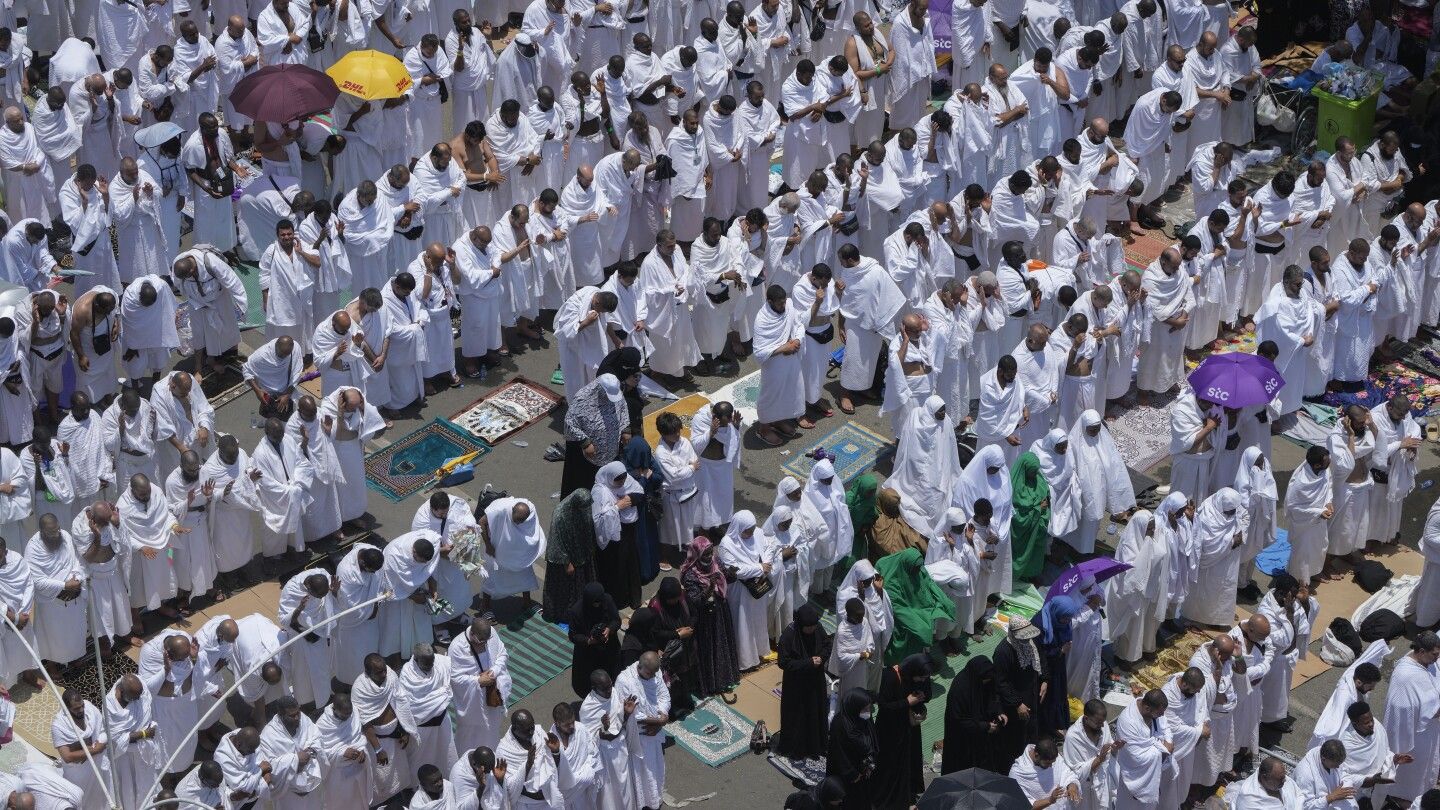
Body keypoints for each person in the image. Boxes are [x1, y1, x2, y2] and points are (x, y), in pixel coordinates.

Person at [1377, 632, 1440, 807]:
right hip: (1415, 736)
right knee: (1411, 772)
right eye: (1435, 654)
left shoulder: (1425, 663)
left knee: (1423, 771)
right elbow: (1424, 709)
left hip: (1429, 732)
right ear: (1421, 651)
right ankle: (1400, 799)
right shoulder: (1406, 675)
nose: (1438, 658)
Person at [680, 535, 740, 697]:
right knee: (708, 649)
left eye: (710, 552)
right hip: (704, 618)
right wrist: (710, 586)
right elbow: (696, 600)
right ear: (697, 555)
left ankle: (724, 678)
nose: (709, 557)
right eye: (705, 554)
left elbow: (726, 577)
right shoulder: (690, 574)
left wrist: (732, 574)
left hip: (720, 612)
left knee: (721, 643)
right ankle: (710, 683)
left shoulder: (715, 562)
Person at [871, 654, 932, 809]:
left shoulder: (915, 676)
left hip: (908, 728)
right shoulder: (890, 676)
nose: (922, 681)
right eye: (920, 677)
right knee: (889, 766)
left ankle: (905, 795)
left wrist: (921, 698)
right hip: (889, 730)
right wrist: (907, 702)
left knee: (908, 761)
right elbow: (884, 706)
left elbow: (926, 693)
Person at [716, 510, 774, 671]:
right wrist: (759, 568)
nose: (750, 534)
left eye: (751, 530)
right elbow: (735, 570)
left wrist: (766, 564)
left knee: (757, 621)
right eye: (746, 531)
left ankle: (760, 651)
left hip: (758, 587)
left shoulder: (757, 533)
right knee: (743, 624)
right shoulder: (727, 544)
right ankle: (745, 660)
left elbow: (768, 548)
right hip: (740, 591)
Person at [1184, 488, 1249, 628]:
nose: (1233, 513)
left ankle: (1220, 619)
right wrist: (1231, 542)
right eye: (1230, 511)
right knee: (1206, 595)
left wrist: (1242, 533)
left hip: (1228, 565)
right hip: (1210, 568)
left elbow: (1245, 517)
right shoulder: (1206, 516)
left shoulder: (1234, 505)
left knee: (1224, 593)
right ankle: (1199, 618)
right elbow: (1206, 546)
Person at [774, 603, 831, 761]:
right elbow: (783, 662)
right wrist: (808, 663)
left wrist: (822, 658)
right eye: (809, 628)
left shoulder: (817, 628)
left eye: (814, 626)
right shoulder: (789, 635)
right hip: (796, 684)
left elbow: (827, 645)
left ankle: (816, 746)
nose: (812, 630)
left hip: (815, 681)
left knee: (815, 712)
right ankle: (796, 748)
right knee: (798, 716)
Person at [873, 548, 949, 664]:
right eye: (916, 569)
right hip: (896, 616)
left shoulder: (914, 567)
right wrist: (920, 626)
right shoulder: (889, 578)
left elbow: (927, 581)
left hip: (912, 610)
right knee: (901, 642)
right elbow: (898, 609)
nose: (919, 571)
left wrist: (941, 600)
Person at [561, 373, 627, 497]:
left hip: (611, 450)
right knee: (587, 485)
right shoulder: (583, 398)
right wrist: (585, 442)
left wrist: (626, 429)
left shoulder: (615, 391)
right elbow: (570, 423)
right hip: (590, 456)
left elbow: (623, 409)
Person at [590, 461, 643, 610]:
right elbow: (598, 518)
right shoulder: (600, 491)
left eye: (623, 480)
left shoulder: (626, 481)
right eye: (618, 481)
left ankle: (634, 599)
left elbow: (640, 494)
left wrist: (630, 500)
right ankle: (619, 601)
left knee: (631, 564)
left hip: (628, 532)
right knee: (617, 568)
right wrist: (617, 507)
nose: (622, 484)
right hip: (612, 539)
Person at [993, 617, 1045, 766]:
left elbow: (1041, 660)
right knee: (1017, 737)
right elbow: (1001, 683)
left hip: (1032, 695)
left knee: (1031, 731)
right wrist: (1017, 703)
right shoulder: (1003, 652)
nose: (1027, 641)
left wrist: (1044, 680)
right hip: (1015, 704)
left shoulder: (1030, 643)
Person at [480, 495, 545, 612]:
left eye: (522, 521)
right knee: (492, 575)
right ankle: (485, 606)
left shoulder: (531, 510)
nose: (519, 524)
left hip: (517, 551)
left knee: (524, 572)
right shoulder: (499, 510)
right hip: (497, 548)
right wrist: (488, 545)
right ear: (512, 511)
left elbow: (530, 530)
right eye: (517, 520)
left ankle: (527, 603)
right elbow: (481, 522)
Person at [542, 488, 596, 624]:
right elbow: (557, 541)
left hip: (581, 552)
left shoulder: (582, 506)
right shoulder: (560, 514)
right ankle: (564, 615)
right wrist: (567, 562)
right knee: (565, 591)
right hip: (565, 560)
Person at [564, 583, 621, 699]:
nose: (598, 605)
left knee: (613, 676)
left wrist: (609, 629)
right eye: (595, 603)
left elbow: (616, 620)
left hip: (609, 648)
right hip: (588, 654)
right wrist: (589, 641)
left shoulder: (607, 600)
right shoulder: (577, 611)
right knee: (588, 683)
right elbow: (573, 636)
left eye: (600, 602)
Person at [1063, 699, 1119, 810]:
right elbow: (1075, 771)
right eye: (1098, 723)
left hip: (1103, 781)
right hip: (1085, 788)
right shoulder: (1073, 737)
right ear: (1087, 718)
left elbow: (1109, 747)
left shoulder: (1102, 724)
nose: (1103, 725)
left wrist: (1115, 749)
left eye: (1103, 721)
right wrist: (1099, 759)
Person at [826, 689, 877, 810]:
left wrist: (870, 762)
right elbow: (838, 754)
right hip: (846, 774)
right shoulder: (839, 724)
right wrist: (852, 774)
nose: (868, 712)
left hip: (863, 770)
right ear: (854, 707)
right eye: (865, 709)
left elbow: (872, 739)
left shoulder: (864, 719)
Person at [1009, 452, 1050, 581]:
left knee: (1034, 554)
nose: (1035, 475)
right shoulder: (1013, 486)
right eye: (1032, 472)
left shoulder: (1039, 480)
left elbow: (1046, 496)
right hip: (1021, 534)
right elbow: (1015, 516)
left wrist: (1042, 509)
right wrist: (1038, 509)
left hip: (1037, 529)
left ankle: (1030, 575)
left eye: (1036, 471)